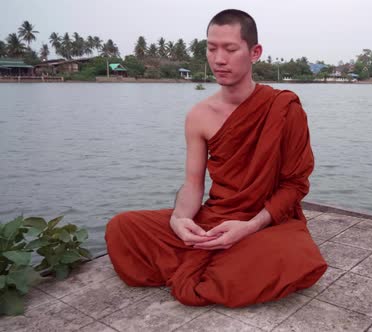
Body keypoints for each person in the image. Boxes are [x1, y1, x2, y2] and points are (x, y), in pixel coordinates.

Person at [104, 9, 327, 307]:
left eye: (230, 49)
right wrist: (179, 220)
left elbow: (295, 186)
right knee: (122, 228)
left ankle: (216, 261)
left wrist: (249, 227)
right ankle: (218, 261)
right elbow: (193, 183)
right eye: (211, 48)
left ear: (254, 52)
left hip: (267, 221)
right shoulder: (199, 116)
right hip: (215, 219)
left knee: (293, 256)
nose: (219, 59)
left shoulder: (284, 108)